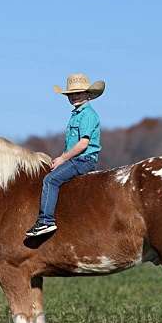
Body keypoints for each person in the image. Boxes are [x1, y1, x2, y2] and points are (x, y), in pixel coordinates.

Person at [26, 73, 105, 237]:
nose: (74, 97)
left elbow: (83, 144)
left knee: (50, 180)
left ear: (88, 94)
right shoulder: (76, 114)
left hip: (84, 160)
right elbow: (72, 144)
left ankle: (46, 221)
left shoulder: (88, 115)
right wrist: (60, 158)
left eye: (78, 93)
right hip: (75, 158)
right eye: (71, 94)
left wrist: (63, 158)